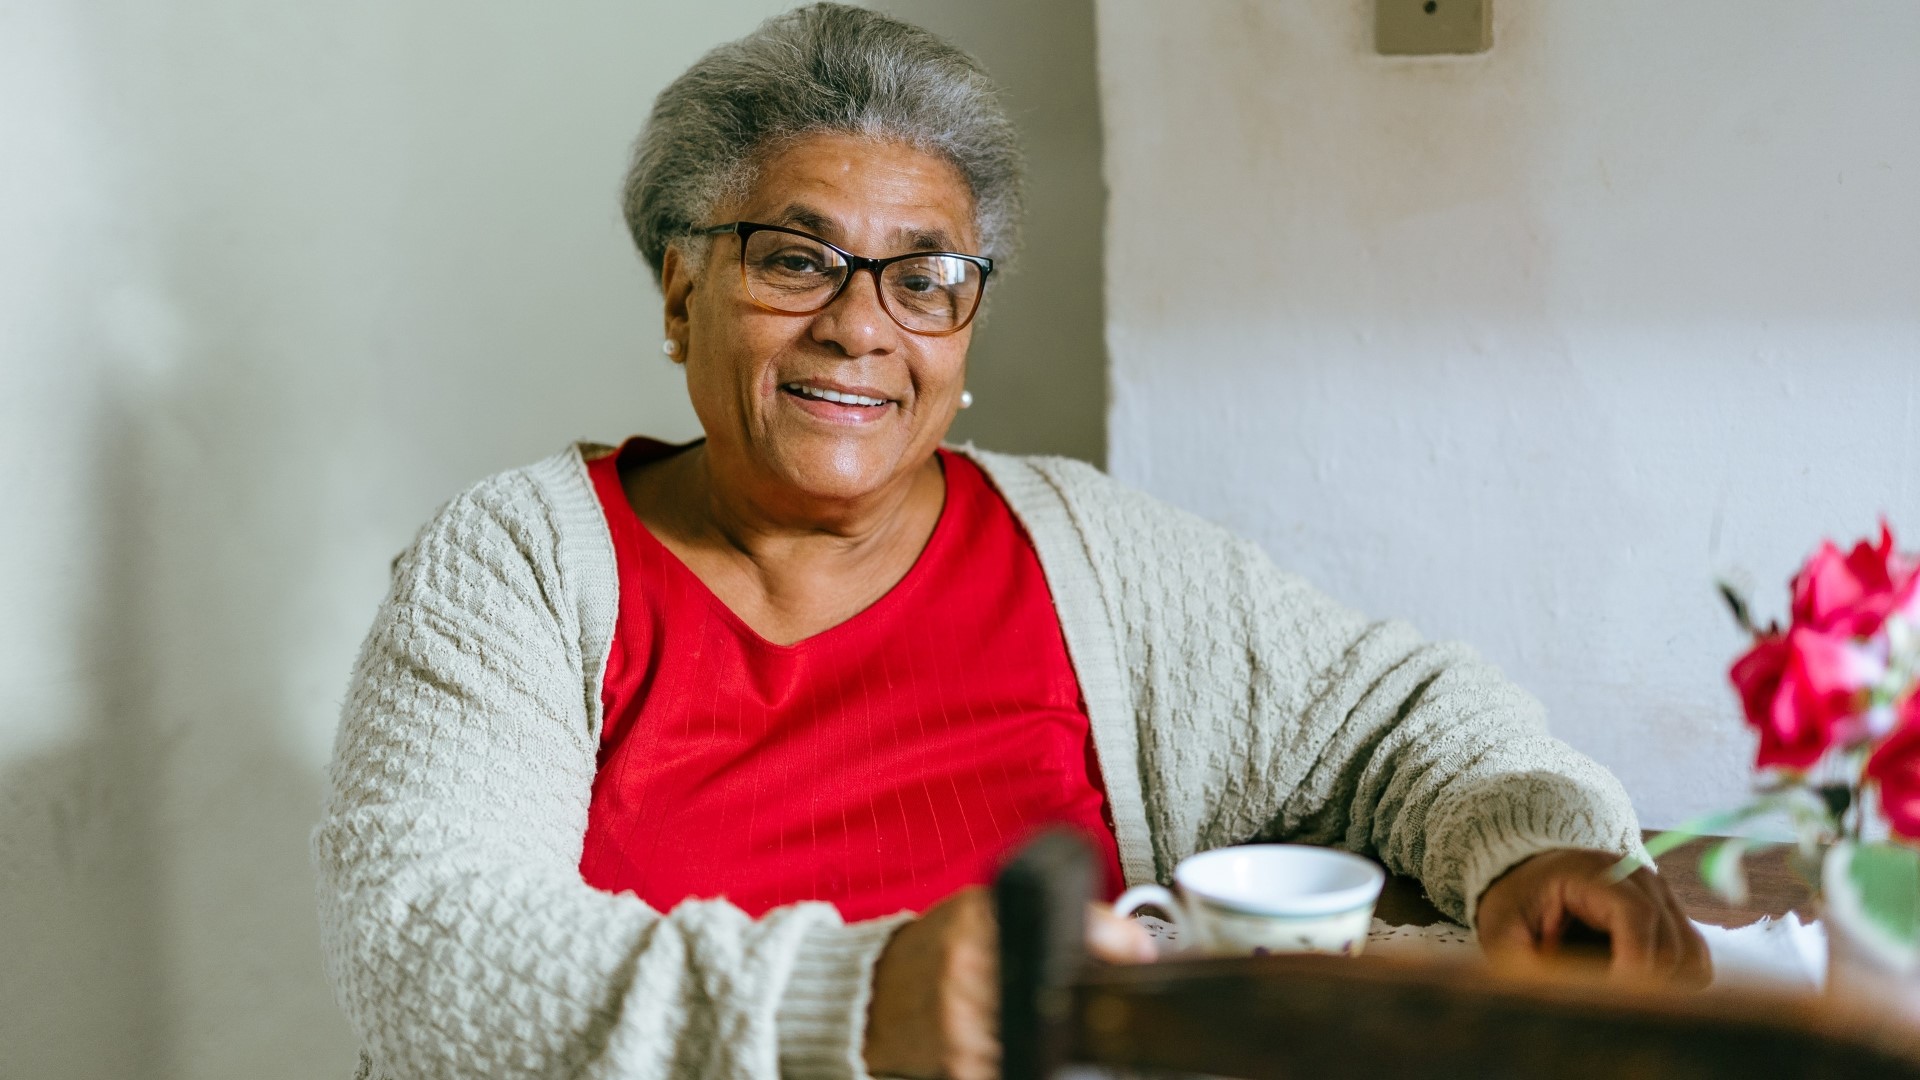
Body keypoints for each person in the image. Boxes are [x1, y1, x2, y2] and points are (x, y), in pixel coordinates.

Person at [312, 5, 1708, 1079]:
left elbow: (1403, 718)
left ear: (964, 331)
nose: (862, 326)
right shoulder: (521, 566)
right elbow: (424, 946)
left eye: (926, 278)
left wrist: (1534, 852)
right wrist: (863, 1007)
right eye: (796, 261)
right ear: (682, 293)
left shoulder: (1082, 552)